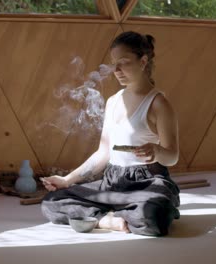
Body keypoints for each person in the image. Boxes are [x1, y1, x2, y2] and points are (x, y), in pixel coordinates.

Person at [41, 31, 180, 236]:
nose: (116, 70)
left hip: (147, 181)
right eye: (114, 63)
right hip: (112, 181)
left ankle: (118, 212)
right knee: (51, 202)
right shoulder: (113, 101)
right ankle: (106, 220)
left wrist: (157, 151)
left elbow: (173, 156)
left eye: (123, 62)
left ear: (143, 61)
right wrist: (66, 180)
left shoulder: (159, 104)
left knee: (153, 214)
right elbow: (103, 153)